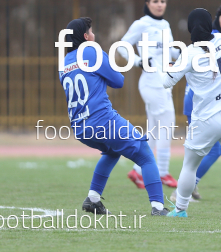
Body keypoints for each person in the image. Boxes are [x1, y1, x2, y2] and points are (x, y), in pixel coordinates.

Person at [59, 17, 169, 216]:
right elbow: (118, 81)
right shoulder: (91, 51)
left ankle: (93, 200)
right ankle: (158, 208)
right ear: (85, 36)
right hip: (102, 120)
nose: (93, 35)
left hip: (80, 127)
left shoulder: (64, 62)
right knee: (145, 154)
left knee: (112, 152)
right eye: (91, 31)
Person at [161, 8, 221, 218]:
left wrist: (168, 66)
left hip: (207, 117)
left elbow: (166, 82)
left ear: (190, 28)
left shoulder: (189, 52)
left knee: (189, 166)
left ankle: (180, 209)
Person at [171, 2, 221, 202]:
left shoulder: (220, 39)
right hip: (201, 102)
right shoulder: (214, 37)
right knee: (213, 149)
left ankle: (188, 185)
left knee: (218, 148)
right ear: (216, 19)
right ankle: (182, 189)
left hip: (210, 103)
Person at [118, 0, 180, 189]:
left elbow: (171, 51)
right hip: (151, 83)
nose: (160, 4)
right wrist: (138, 61)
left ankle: (137, 171)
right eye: (155, 1)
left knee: (154, 131)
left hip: (164, 83)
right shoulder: (142, 24)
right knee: (167, 125)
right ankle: (162, 172)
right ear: (147, 4)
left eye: (163, 1)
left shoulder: (165, 25)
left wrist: (188, 55)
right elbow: (122, 46)